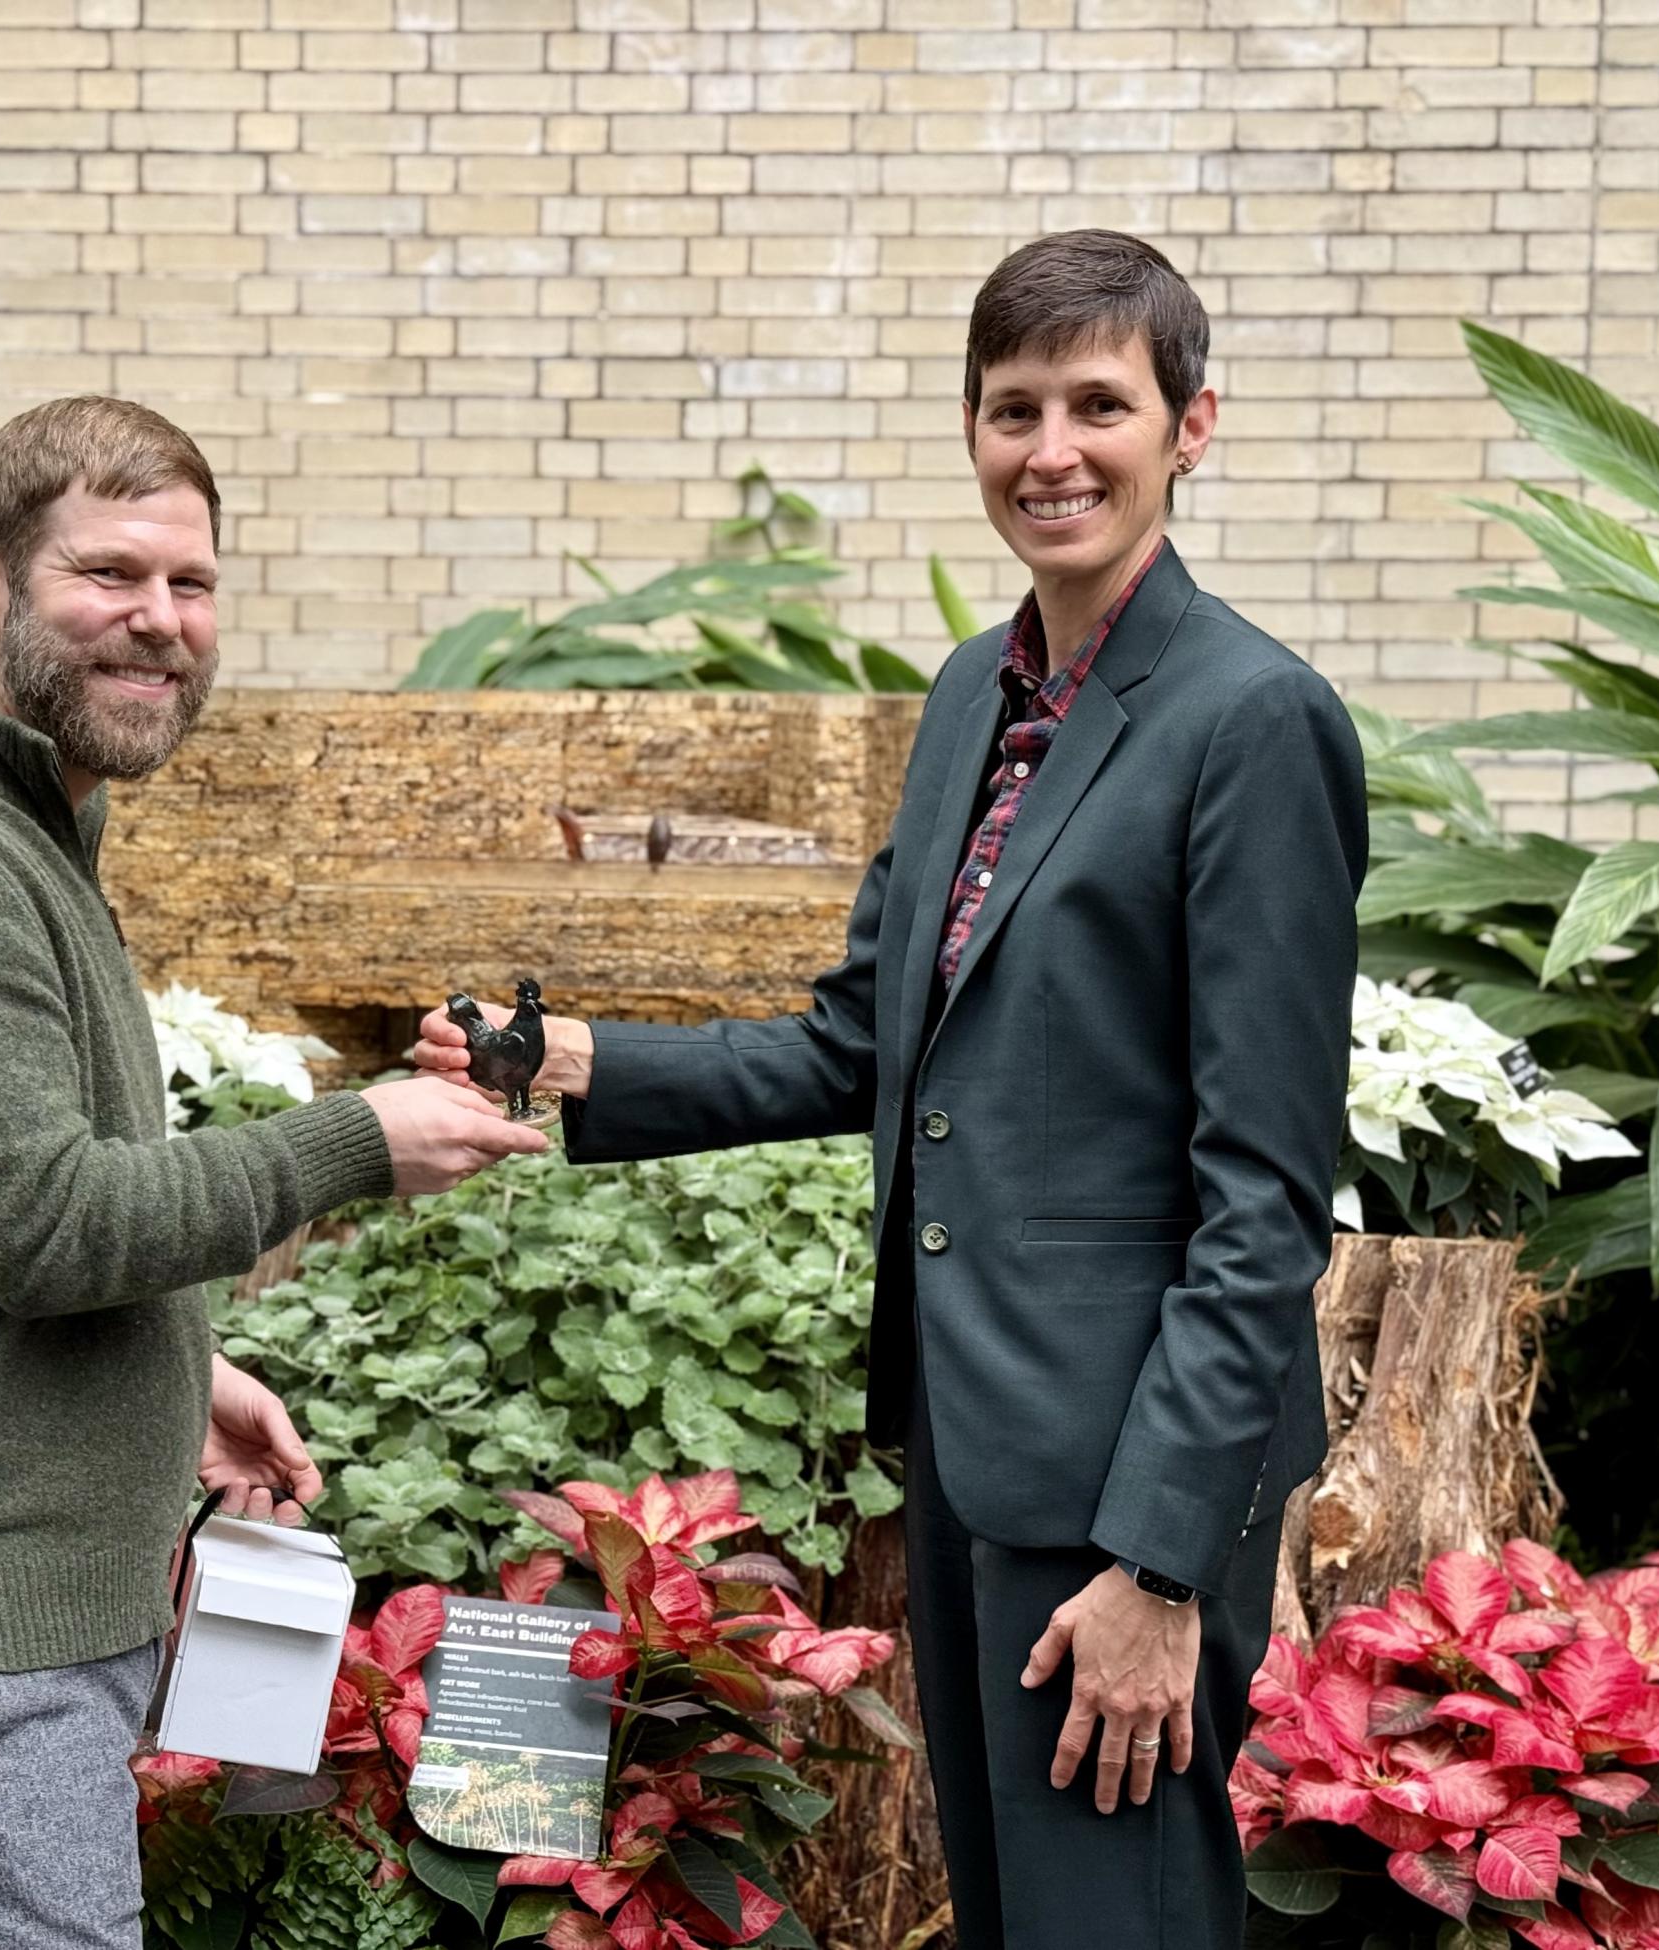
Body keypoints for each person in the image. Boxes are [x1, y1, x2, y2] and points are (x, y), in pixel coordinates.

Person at [417, 230, 1366, 1946]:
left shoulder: (1252, 720)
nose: (1052, 449)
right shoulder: (971, 703)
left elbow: (1264, 1204)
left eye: (1101, 403)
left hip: (1123, 1495)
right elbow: (865, 1044)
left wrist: (1159, 1567)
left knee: (1115, 1927)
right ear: (972, 429)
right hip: (971, 1446)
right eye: (1014, 409)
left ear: (1191, 427)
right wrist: (570, 1063)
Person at [0, 395, 548, 1949]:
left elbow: (6, 1205)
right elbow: (47, 1225)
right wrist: (360, 1137)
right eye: (110, 575)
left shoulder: (28, 833)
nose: (161, 622)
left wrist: (183, 1368)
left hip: (11, 1634)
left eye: (190, 584)